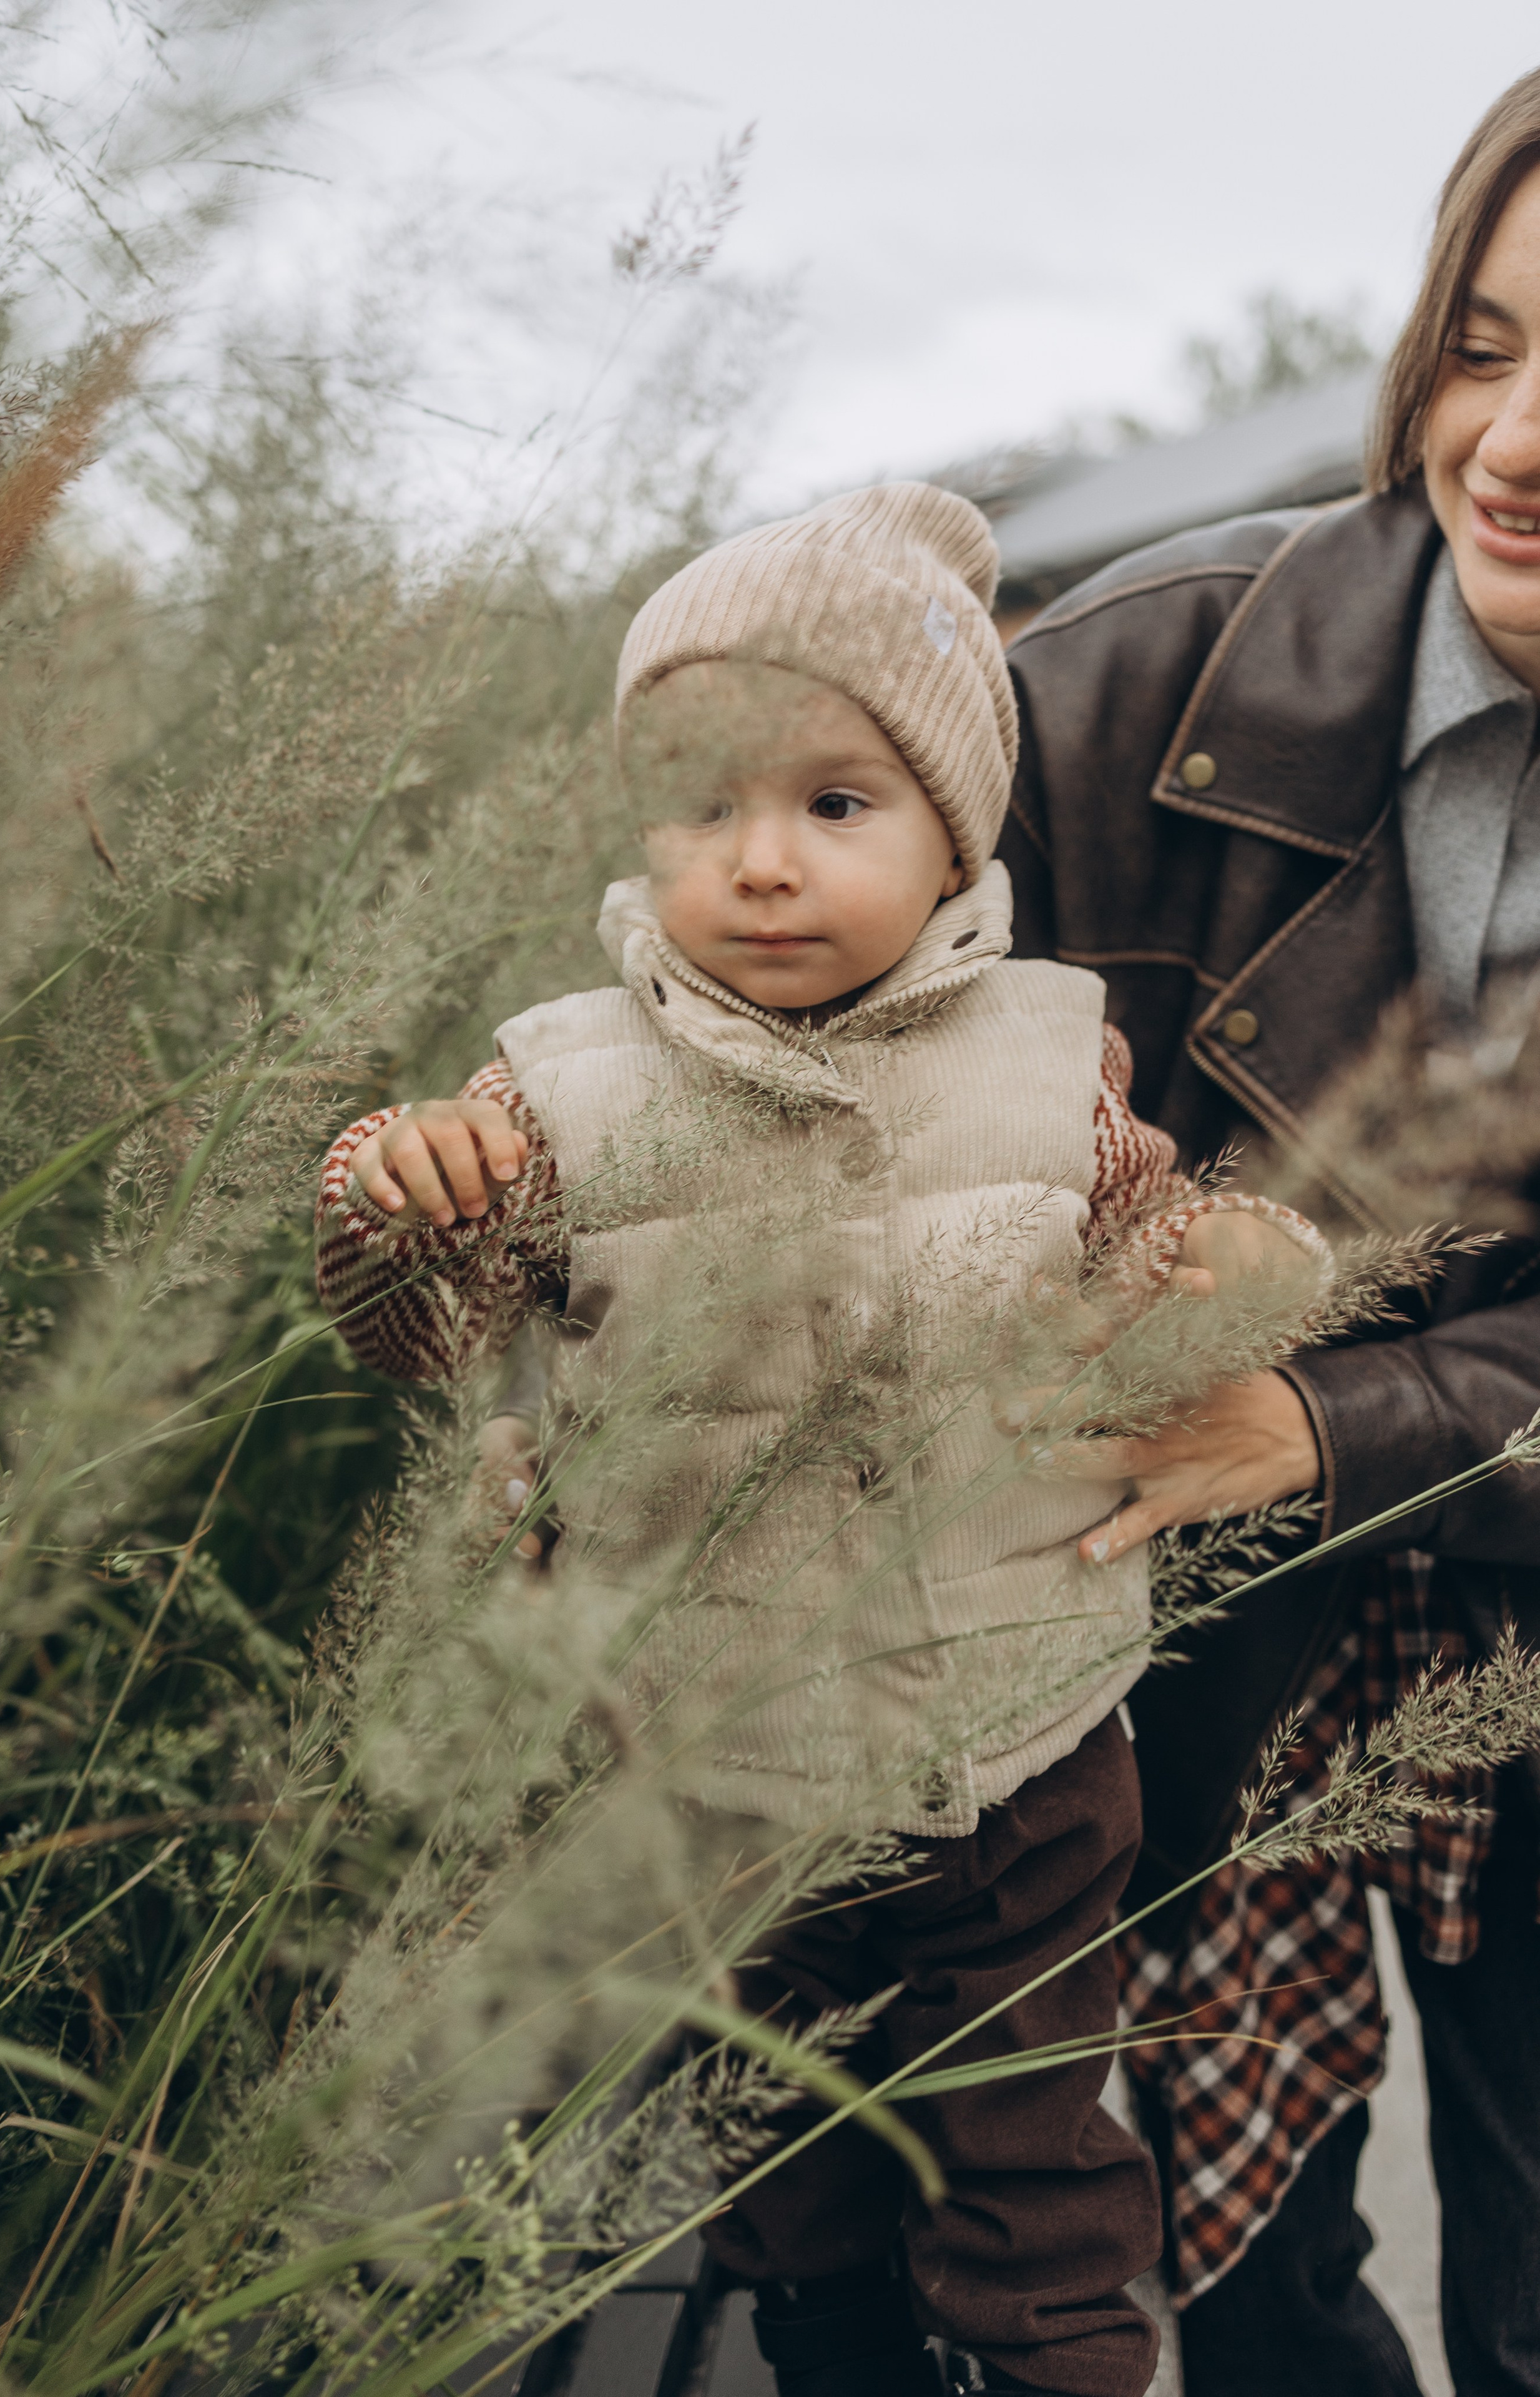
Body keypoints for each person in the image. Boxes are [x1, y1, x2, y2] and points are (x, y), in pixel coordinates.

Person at [314, 483, 1320, 2397]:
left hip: (1015, 1747)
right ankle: (834, 2351)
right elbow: (424, 1345)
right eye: (707, 806)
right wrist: (395, 1204)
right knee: (784, 2163)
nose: (760, 864)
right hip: (717, 1762)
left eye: (834, 808)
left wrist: (1243, 1272)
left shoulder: (1055, 1068)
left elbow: (1164, 1270)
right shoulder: (561, 1092)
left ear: (957, 833)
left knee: (1038, 2175)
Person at [999, 67, 1540, 2397]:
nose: (1515, 441)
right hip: (1163, 1617)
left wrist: (1325, 1414)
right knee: (1229, 2280)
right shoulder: (1121, 690)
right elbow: (790, 1051)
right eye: (1489, 346)